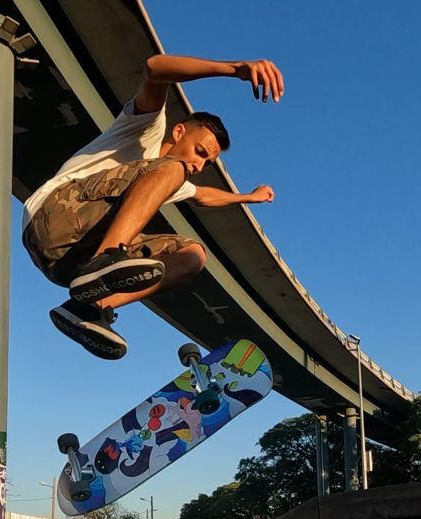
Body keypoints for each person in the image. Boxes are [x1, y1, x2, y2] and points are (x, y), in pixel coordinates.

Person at [22, 54, 283, 360]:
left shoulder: (166, 180)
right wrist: (234, 69)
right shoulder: (147, 127)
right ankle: (107, 260)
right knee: (173, 169)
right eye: (199, 152)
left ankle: (86, 306)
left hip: (65, 265)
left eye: (207, 162)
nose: (198, 165)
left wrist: (248, 197)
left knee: (192, 256)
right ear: (179, 132)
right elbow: (155, 69)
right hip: (53, 216)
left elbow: (204, 196)